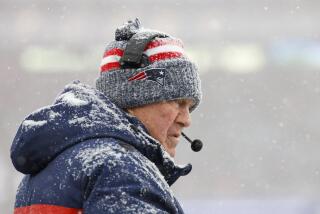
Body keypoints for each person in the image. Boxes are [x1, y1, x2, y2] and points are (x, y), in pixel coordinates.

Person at [11, 18, 202, 213]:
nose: (186, 120)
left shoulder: (49, 166)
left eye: (190, 107)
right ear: (134, 96)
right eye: (177, 102)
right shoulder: (120, 168)